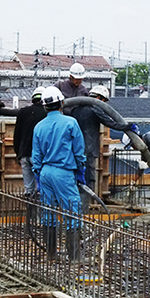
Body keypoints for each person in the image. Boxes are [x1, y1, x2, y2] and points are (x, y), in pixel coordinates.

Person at [32, 86, 86, 262]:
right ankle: (74, 256)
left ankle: (51, 255)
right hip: (63, 172)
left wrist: (38, 177)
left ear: (45, 107)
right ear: (61, 103)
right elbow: (79, 151)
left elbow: (36, 156)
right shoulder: (70, 123)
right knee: (72, 211)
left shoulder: (39, 126)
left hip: (45, 172)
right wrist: (80, 170)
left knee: (48, 212)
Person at [71, 85, 135, 212]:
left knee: (74, 181)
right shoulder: (94, 109)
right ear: (99, 98)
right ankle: (82, 212)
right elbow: (111, 123)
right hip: (87, 151)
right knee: (88, 181)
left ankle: (72, 211)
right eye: (104, 101)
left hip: (72, 151)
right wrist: (127, 127)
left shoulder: (75, 109)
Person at [13, 86, 47, 196]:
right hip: (38, 156)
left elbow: (17, 135)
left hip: (24, 155)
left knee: (28, 190)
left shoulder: (23, 112)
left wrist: (18, 153)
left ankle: (30, 211)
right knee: (41, 189)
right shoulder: (46, 114)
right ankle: (40, 212)